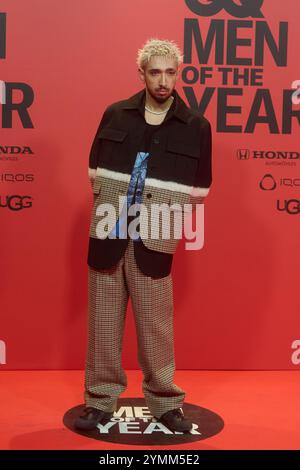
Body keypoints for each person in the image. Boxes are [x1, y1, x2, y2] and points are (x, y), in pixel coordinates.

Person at [75, 38, 212, 433]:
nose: (164, 80)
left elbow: (200, 187)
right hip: (110, 226)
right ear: (142, 74)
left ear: (178, 74)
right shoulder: (115, 114)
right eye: (156, 71)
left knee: (155, 324)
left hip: (157, 230)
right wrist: (117, 208)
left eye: (171, 72)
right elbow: (94, 170)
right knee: (103, 321)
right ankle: (100, 400)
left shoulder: (196, 126)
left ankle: (166, 403)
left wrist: (161, 214)